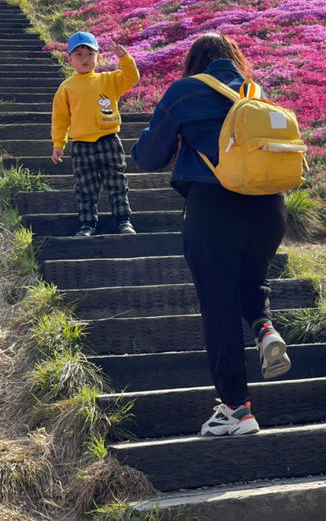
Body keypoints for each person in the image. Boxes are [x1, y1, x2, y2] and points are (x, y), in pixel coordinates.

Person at [130, 33, 291, 437]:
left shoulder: (186, 91)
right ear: (235, 60)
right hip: (270, 209)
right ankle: (264, 328)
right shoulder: (258, 92)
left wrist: (138, 149)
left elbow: (150, 156)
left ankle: (237, 410)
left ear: (195, 61)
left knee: (218, 304)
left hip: (214, 208)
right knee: (250, 279)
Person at [51, 31, 140, 236]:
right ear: (70, 59)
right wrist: (59, 143)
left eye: (90, 54)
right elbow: (61, 118)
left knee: (117, 182)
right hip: (81, 144)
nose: (85, 59)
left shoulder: (109, 80)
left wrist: (124, 58)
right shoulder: (66, 87)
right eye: (79, 54)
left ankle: (123, 221)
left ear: (98, 57)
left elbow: (132, 77)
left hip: (109, 140)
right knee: (85, 187)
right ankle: (87, 224)